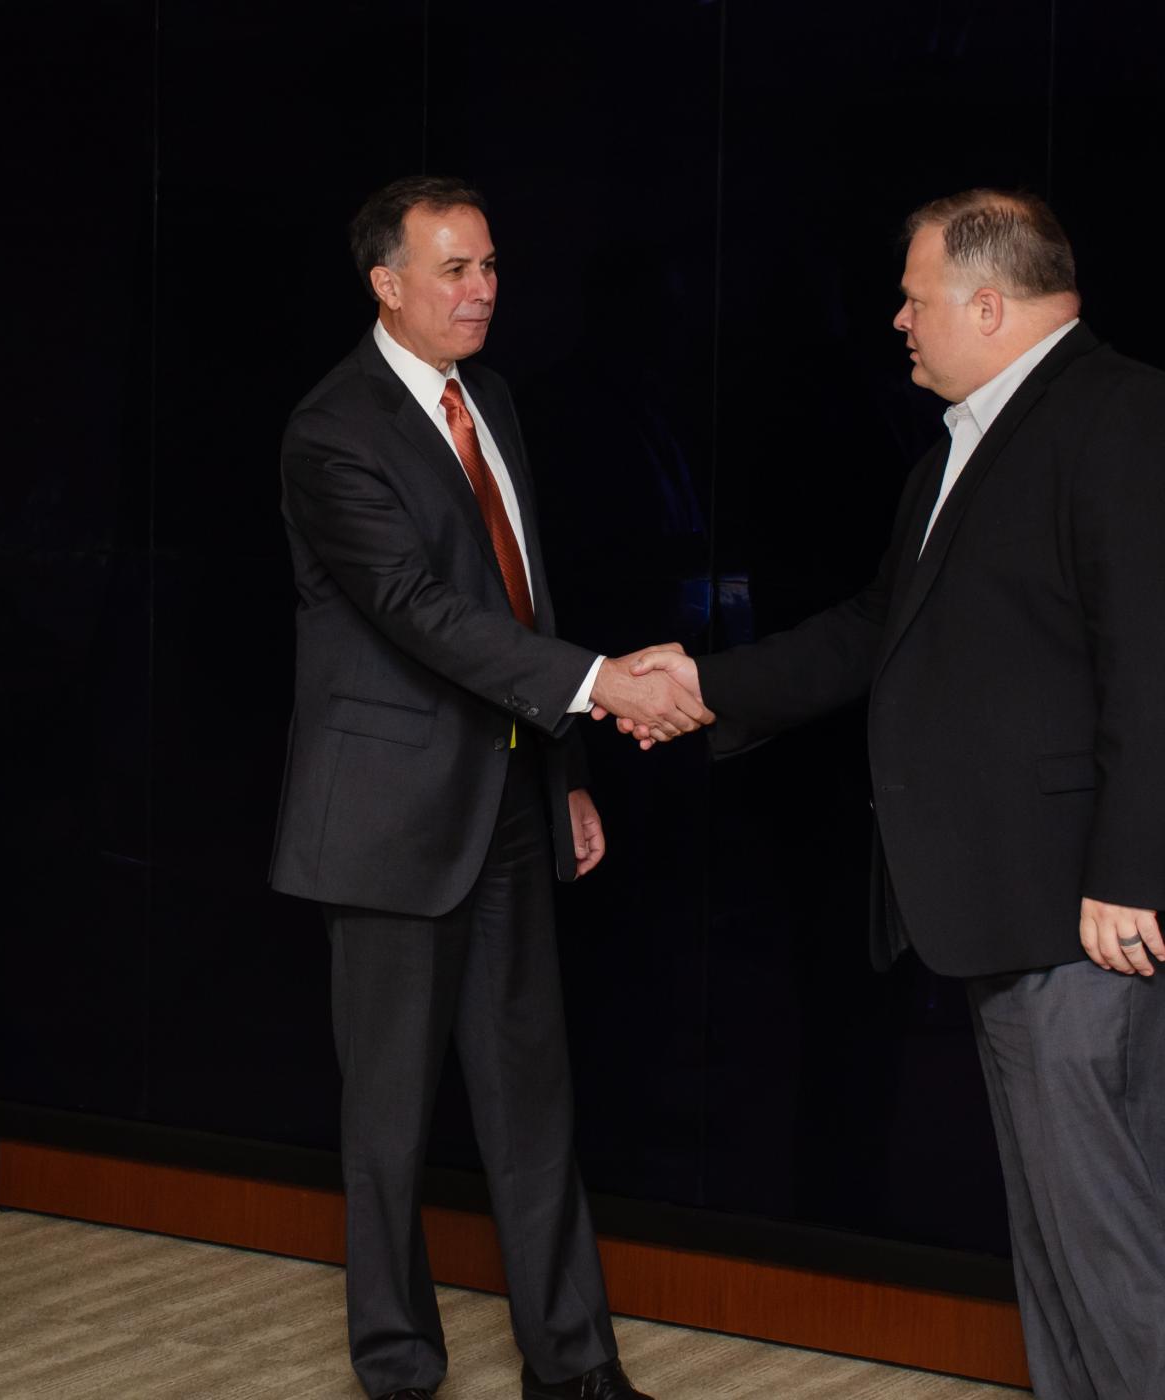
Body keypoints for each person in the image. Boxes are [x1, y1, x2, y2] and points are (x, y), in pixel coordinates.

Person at [619, 190, 1165, 1399]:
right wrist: (702, 678)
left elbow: (1152, 653)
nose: (895, 319)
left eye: (914, 297)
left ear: (986, 301)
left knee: (1114, 1242)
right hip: (1002, 901)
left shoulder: (1118, 414)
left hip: (1083, 913)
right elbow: (876, 628)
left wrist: (1129, 870)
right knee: (1056, 1237)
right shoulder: (958, 451)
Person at [272, 176, 708, 1400]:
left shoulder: (492, 400)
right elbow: (417, 613)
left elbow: (523, 600)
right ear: (387, 283)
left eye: (490, 265)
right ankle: (398, 1366)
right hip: (386, 824)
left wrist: (562, 771)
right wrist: (600, 686)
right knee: (390, 1129)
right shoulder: (332, 427)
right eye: (454, 269)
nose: (482, 289)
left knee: (534, 1106)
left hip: (512, 802)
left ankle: (572, 1365)